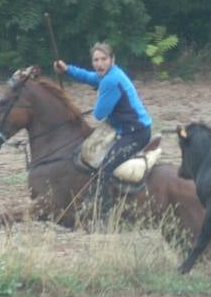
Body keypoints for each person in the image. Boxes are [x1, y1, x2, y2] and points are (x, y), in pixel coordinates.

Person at [53, 41, 153, 215]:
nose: (99, 64)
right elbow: (90, 77)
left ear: (112, 60)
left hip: (136, 133)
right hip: (123, 128)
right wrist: (67, 69)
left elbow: (99, 114)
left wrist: (101, 93)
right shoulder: (109, 74)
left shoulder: (111, 80)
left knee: (105, 168)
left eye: (103, 59)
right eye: (95, 60)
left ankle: (105, 212)